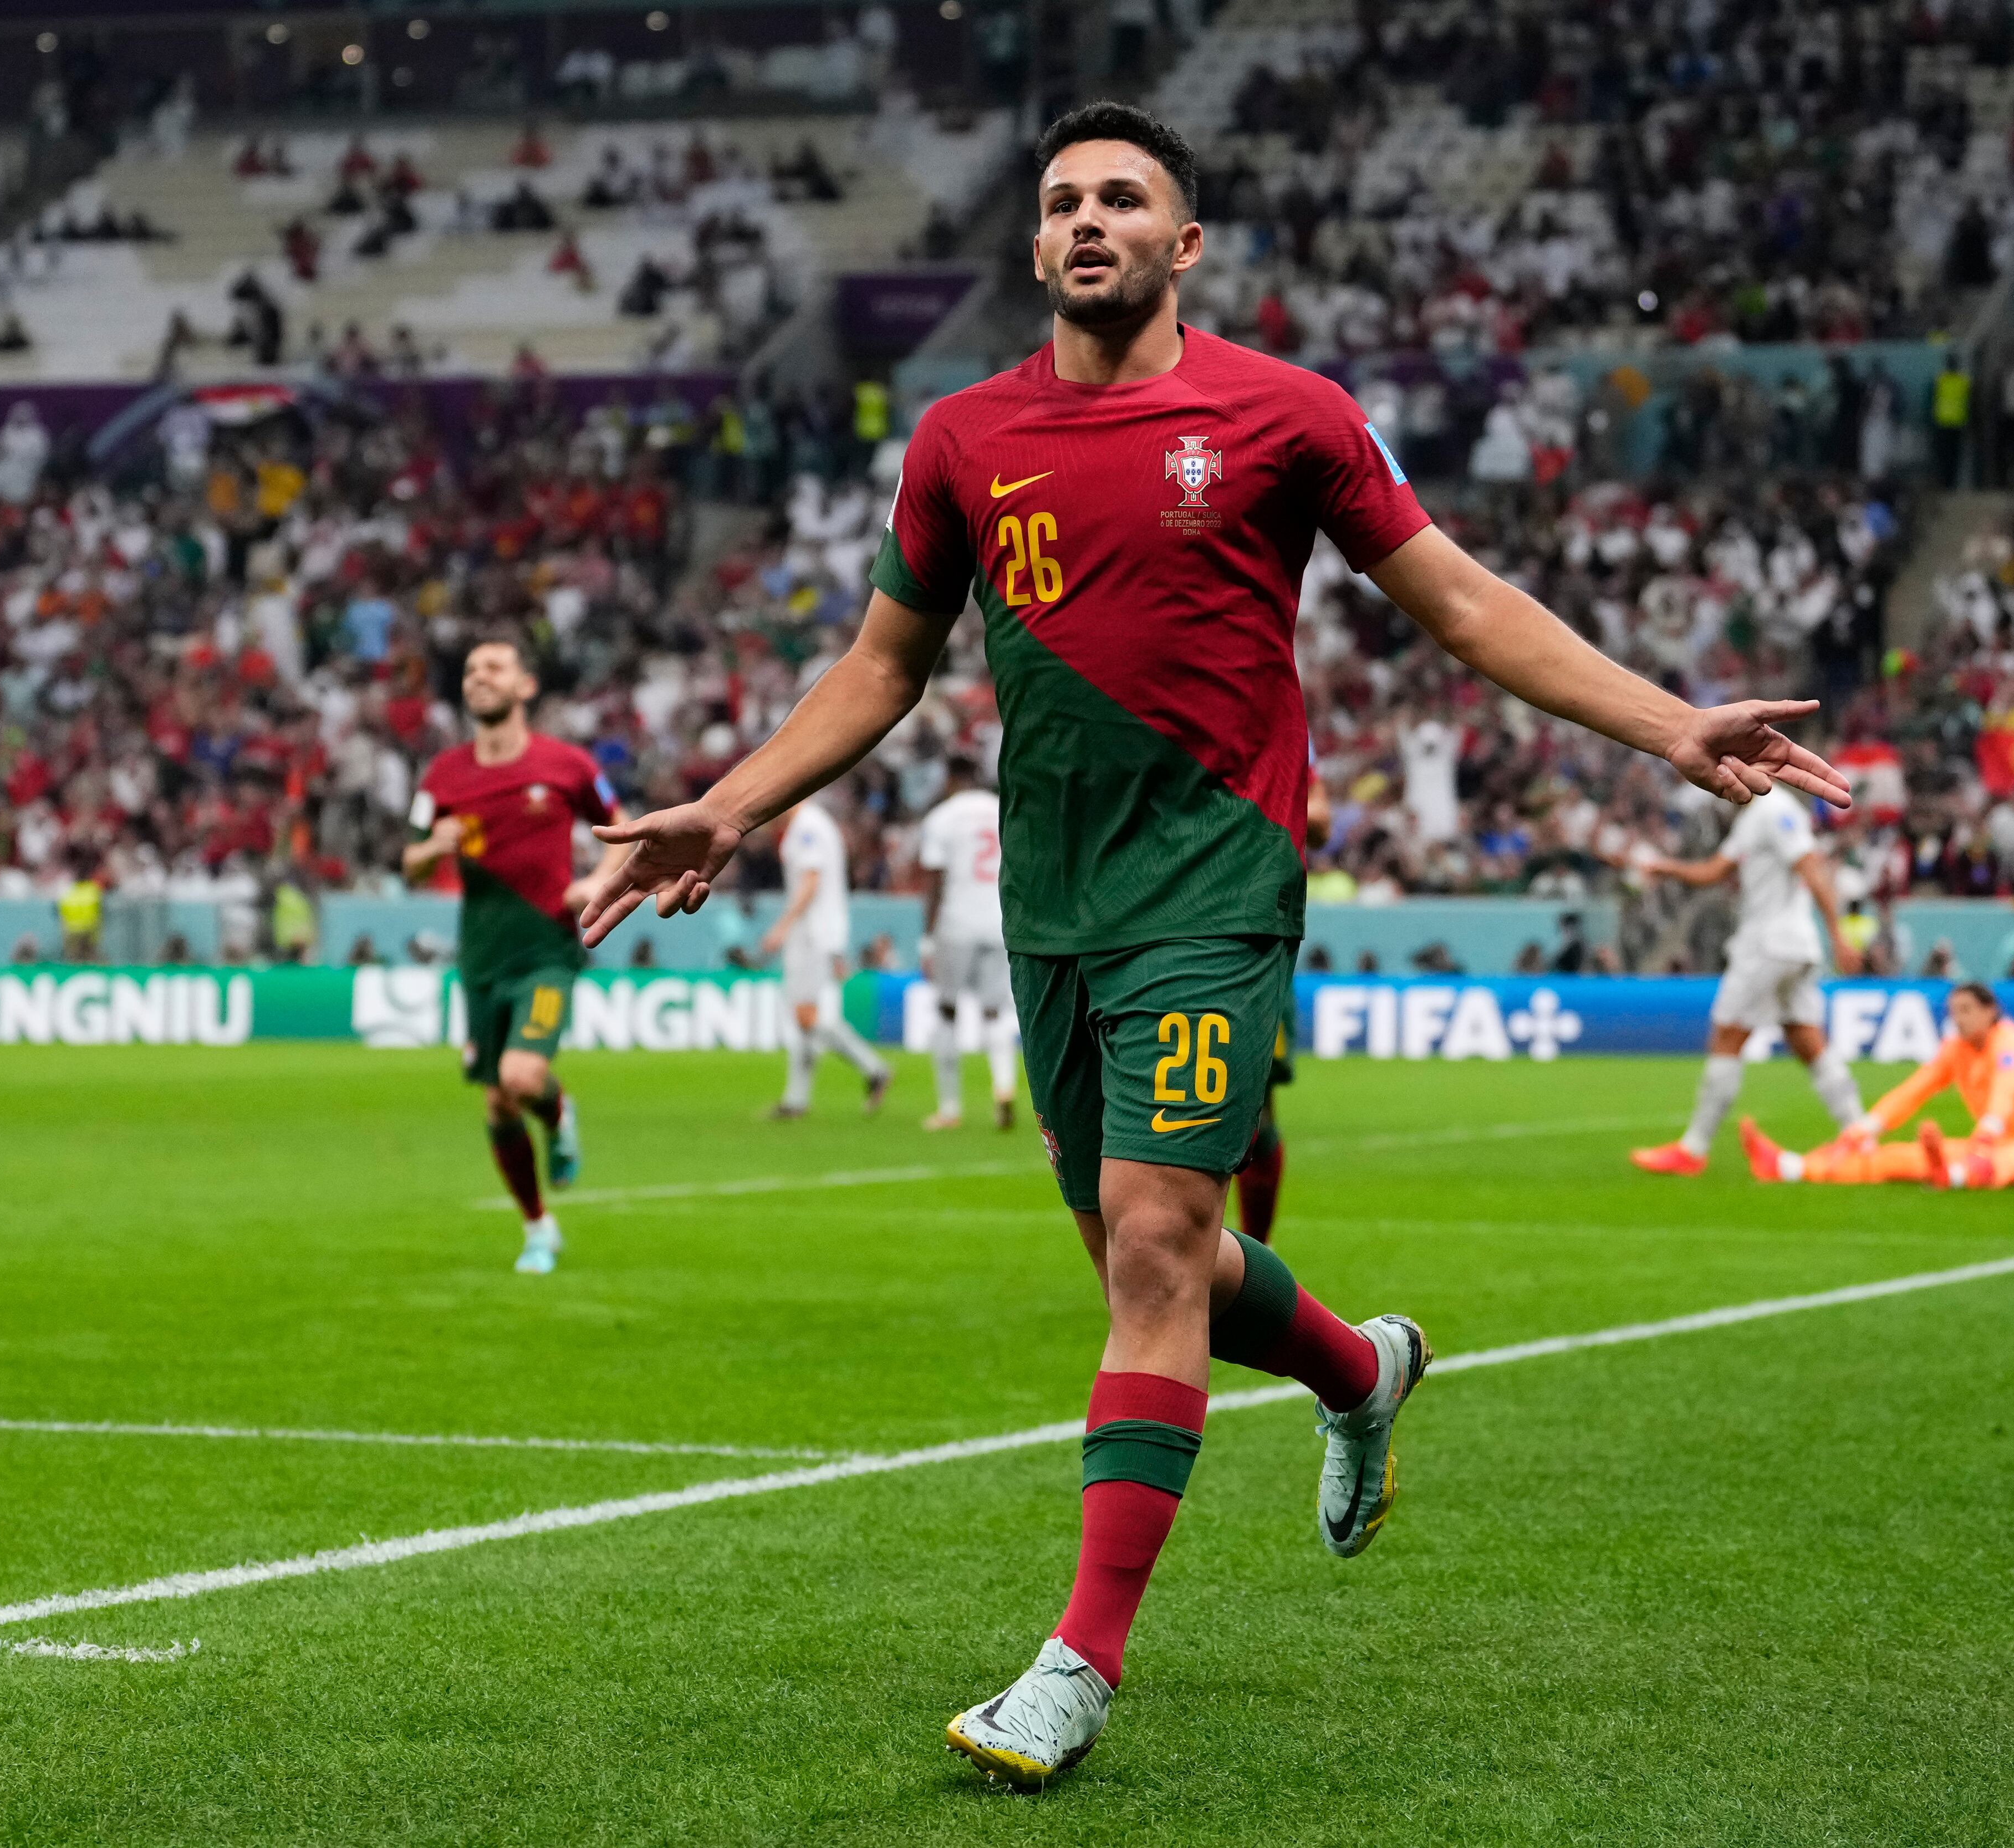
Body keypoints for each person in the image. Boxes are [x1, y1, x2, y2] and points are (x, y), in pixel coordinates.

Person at [575, 100, 1848, 1788]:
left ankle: (1076, 1665)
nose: (1085, 220)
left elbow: (1464, 603)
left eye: (1122, 199)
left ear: (1182, 244)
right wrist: (731, 805)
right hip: (1052, 905)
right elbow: (884, 664)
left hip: (1214, 879)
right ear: (1036, 243)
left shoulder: (1284, 417)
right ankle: (1359, 1367)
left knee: (1161, 1241)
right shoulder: (960, 437)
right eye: (1061, 201)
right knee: (1141, 1256)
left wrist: (1668, 724)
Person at [404, 638, 635, 1275]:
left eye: (494, 668)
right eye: (471, 670)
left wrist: (598, 882)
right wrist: (434, 849)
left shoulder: (566, 764)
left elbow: (620, 827)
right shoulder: (443, 775)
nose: (479, 677)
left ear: (525, 687)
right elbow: (410, 860)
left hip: (545, 951)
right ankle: (538, 1226)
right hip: (480, 956)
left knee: (522, 1078)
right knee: (499, 1103)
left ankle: (557, 1113)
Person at [1629, 784, 1864, 1175]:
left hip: (1769, 944)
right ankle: (1859, 1134)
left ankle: (1693, 1150)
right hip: (1794, 946)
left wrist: (1839, 935)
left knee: (1728, 1035)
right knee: (1807, 1039)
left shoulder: (1775, 810)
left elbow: (1811, 867)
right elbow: (1714, 871)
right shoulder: (1753, 816)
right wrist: (1665, 868)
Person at [1738, 982, 2014, 1188]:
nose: (1959, 1019)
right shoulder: (1956, 1049)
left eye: (1967, 1010)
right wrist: (1866, 1128)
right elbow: (1914, 1091)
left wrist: (1986, 1137)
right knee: (1897, 1157)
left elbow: (2005, 1095)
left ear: (1991, 1011)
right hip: (1989, 1142)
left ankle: (1956, 1176)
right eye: (1954, 1012)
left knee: (2010, 1162)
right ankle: (1791, 1166)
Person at [1235, 773, 1329, 1242]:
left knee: (1253, 1110)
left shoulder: (1272, 746)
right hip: (1232, 937)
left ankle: (1253, 1257)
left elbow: (1321, 821)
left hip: (1250, 945)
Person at [758, 794, 890, 1119]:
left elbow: (812, 881)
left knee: (805, 1015)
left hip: (813, 931)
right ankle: (796, 1100)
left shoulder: (809, 827)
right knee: (803, 1017)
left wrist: (782, 926)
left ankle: (874, 1068)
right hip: (814, 930)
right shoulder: (810, 824)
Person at [914, 754, 1017, 1130]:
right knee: (995, 1011)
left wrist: (928, 939)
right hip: (999, 921)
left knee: (946, 1010)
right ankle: (1004, 1088)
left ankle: (950, 1108)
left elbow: (935, 882)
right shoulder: (1002, 809)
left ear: (950, 779)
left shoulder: (942, 817)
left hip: (957, 924)